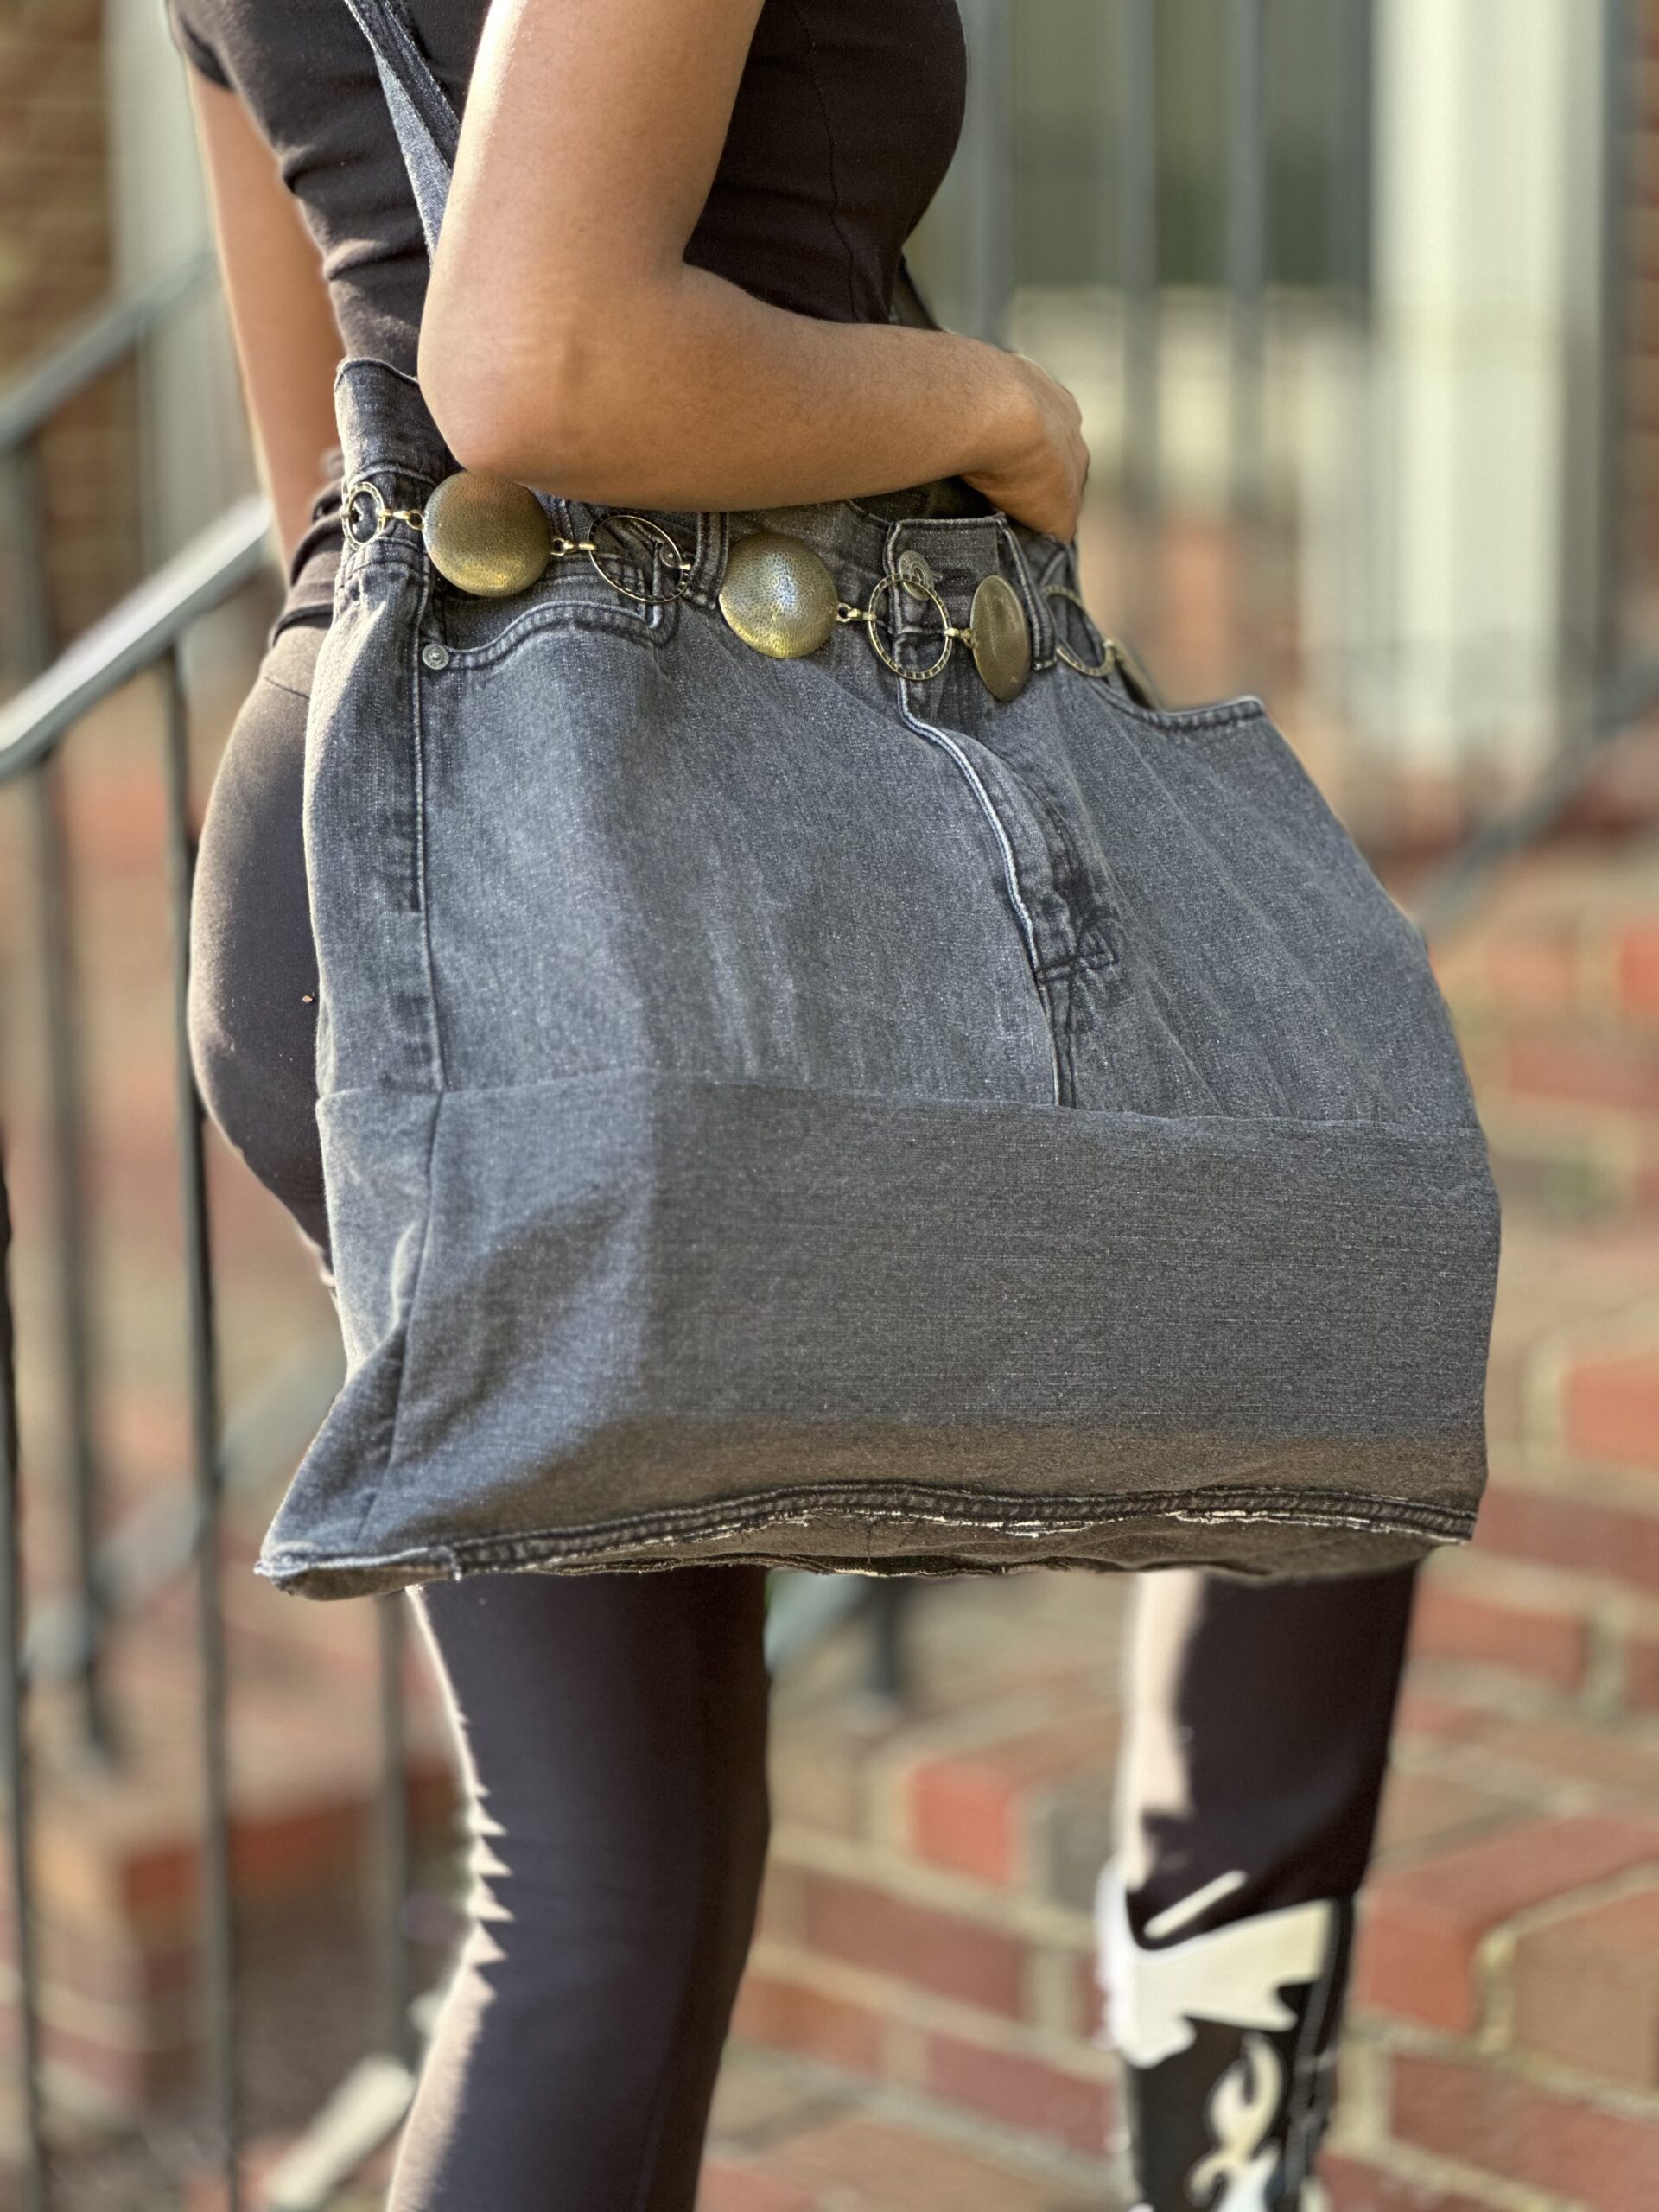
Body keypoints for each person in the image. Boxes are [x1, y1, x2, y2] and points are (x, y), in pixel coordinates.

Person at [169, 3, 1424, 2204]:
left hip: (363, 868)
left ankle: (1215, 2082)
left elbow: (333, 477)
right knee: (1340, 1257)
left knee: (588, 1894)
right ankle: (1221, 2118)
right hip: (672, 861)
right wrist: (991, 403)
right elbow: (546, 354)